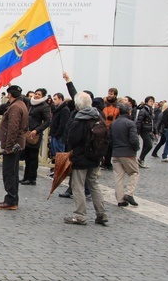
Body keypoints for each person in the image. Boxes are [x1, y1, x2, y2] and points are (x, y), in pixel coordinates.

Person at [64, 92, 108, 226]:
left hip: (81, 157)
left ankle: (80, 215)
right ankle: (101, 214)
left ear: (77, 105)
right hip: (95, 156)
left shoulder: (80, 119)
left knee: (78, 186)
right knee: (94, 185)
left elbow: (72, 140)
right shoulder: (98, 116)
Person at [0, 85, 28, 211]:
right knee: (13, 173)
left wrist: (8, 147)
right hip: (18, 143)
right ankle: (12, 199)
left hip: (13, 145)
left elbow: (13, 128)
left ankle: (11, 199)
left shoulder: (15, 107)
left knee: (9, 173)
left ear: (10, 95)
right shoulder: (22, 104)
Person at [110, 103, 140, 207]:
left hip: (115, 153)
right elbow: (134, 139)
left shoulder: (114, 123)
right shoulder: (130, 123)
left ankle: (120, 199)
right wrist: (136, 149)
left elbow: (110, 138)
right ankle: (129, 193)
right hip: (128, 153)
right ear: (129, 111)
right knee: (134, 172)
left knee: (118, 176)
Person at [20, 88, 51, 185]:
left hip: (35, 134)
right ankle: (26, 177)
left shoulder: (44, 106)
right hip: (27, 133)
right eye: (36, 93)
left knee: (33, 157)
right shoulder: (31, 103)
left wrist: (37, 130)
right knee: (27, 156)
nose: (36, 95)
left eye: (39, 94)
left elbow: (48, 121)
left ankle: (32, 178)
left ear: (43, 96)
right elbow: (21, 97)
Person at [136, 96, 157, 168]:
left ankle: (141, 160)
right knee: (149, 145)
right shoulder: (143, 110)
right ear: (146, 102)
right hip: (143, 130)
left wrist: (155, 131)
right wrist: (137, 131)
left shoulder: (151, 110)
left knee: (145, 145)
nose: (152, 103)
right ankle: (140, 158)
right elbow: (139, 121)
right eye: (150, 101)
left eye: (152, 101)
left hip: (149, 130)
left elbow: (153, 122)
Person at [48, 92, 70, 156]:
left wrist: (57, 135)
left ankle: (60, 166)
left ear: (60, 99)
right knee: (56, 155)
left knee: (60, 155)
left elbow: (63, 124)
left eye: (55, 99)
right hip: (55, 135)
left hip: (59, 136)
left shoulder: (64, 109)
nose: (53, 101)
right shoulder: (58, 109)